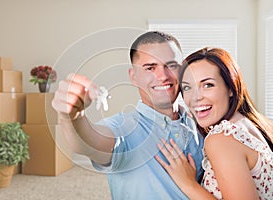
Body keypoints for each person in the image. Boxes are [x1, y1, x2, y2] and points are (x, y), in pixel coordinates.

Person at [52, 31, 205, 199]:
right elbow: (89, 142)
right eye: (150, 68)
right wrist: (73, 117)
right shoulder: (122, 127)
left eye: (171, 65)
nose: (162, 76)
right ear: (134, 77)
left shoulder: (199, 123)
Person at [156, 47, 273, 200]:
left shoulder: (222, 139)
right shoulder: (250, 124)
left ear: (230, 88)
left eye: (208, 85)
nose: (196, 97)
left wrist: (188, 184)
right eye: (187, 87)